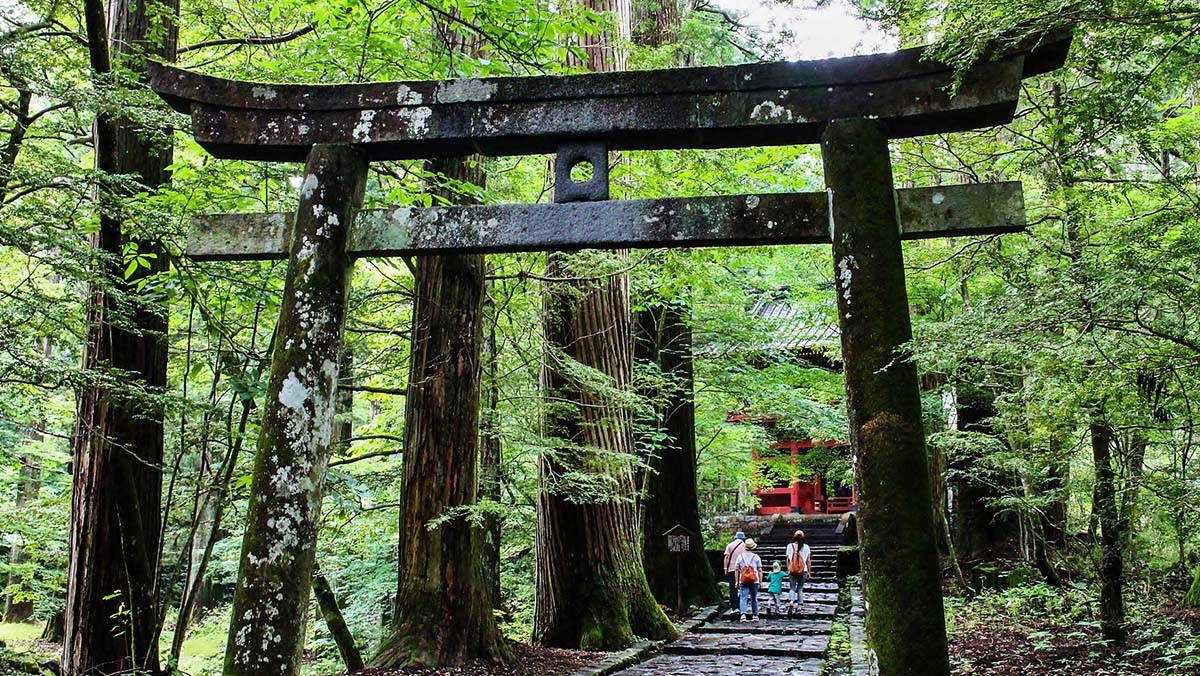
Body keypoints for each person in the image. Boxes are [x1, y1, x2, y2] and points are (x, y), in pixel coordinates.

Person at [735, 538, 763, 622]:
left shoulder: (740, 557)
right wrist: (760, 582)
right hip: (754, 580)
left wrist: (736, 581)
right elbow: (760, 569)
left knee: (743, 598)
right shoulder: (756, 557)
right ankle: (755, 615)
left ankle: (743, 615)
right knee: (754, 598)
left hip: (743, 580)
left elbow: (736, 569)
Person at [785, 529, 812, 614]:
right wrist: (809, 572)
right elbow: (808, 560)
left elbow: (788, 559)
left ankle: (791, 602)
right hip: (803, 570)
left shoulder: (789, 546)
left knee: (792, 588)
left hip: (792, 570)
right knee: (800, 588)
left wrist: (788, 569)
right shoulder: (806, 547)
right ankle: (800, 605)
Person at [722, 530, 747, 611]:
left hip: (732, 569)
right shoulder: (745, 546)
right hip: (743, 569)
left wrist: (725, 568)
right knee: (743, 587)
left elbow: (726, 557)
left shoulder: (730, 545)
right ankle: (742, 605)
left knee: (733, 588)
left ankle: (734, 607)